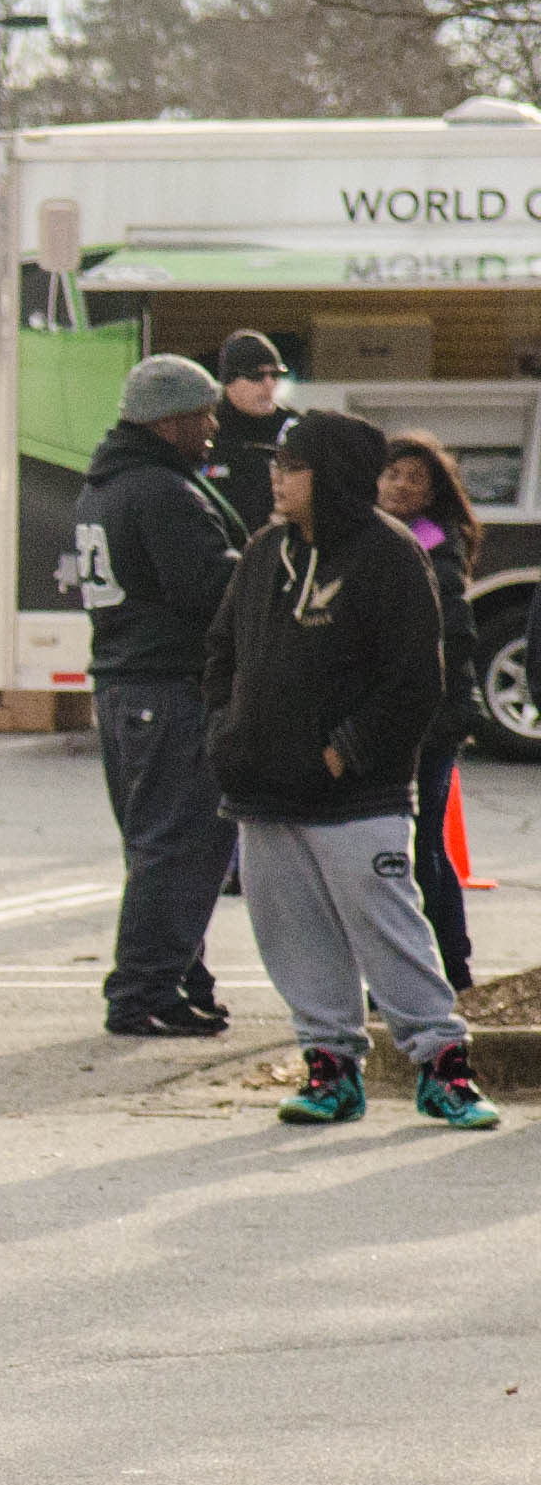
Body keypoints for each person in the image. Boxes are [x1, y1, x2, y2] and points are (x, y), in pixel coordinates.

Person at [201, 407, 489, 1125]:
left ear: (327, 475)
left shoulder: (391, 554)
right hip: (263, 791)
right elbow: (220, 653)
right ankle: (329, 1068)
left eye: (290, 466)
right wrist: (227, 736)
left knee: (389, 926)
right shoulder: (267, 551)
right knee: (293, 935)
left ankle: (443, 1069)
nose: (276, 478)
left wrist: (347, 752)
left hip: (358, 795)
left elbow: (417, 678)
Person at [73, 355, 251, 1037]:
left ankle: (179, 978)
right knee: (181, 843)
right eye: (203, 414)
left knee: (159, 845)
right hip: (167, 688)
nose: (211, 427)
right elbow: (209, 591)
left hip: (125, 688)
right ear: (168, 421)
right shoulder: (160, 492)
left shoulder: (107, 486)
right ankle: (145, 990)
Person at [381, 427, 488, 994]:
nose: (400, 485)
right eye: (392, 473)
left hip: (430, 723)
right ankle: (437, 969)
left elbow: (448, 641)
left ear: (432, 492)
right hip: (406, 721)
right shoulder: (378, 539)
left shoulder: (430, 547)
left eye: (414, 478)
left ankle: (448, 969)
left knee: (416, 848)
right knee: (408, 847)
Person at [204, 332, 290, 536]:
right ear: (228, 381)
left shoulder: (293, 429)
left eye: (275, 375)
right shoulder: (207, 430)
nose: (269, 384)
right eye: (256, 376)